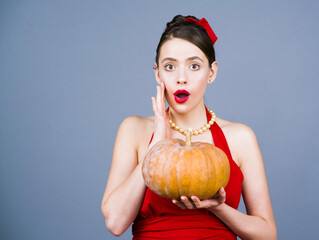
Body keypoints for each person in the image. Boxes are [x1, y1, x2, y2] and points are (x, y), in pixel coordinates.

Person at [101, 15, 277, 239]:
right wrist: (156, 144)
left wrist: (216, 207)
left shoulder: (240, 137)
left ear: (211, 72)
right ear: (157, 73)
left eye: (194, 66)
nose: (181, 78)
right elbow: (115, 223)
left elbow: (267, 234)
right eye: (170, 66)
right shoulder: (134, 130)